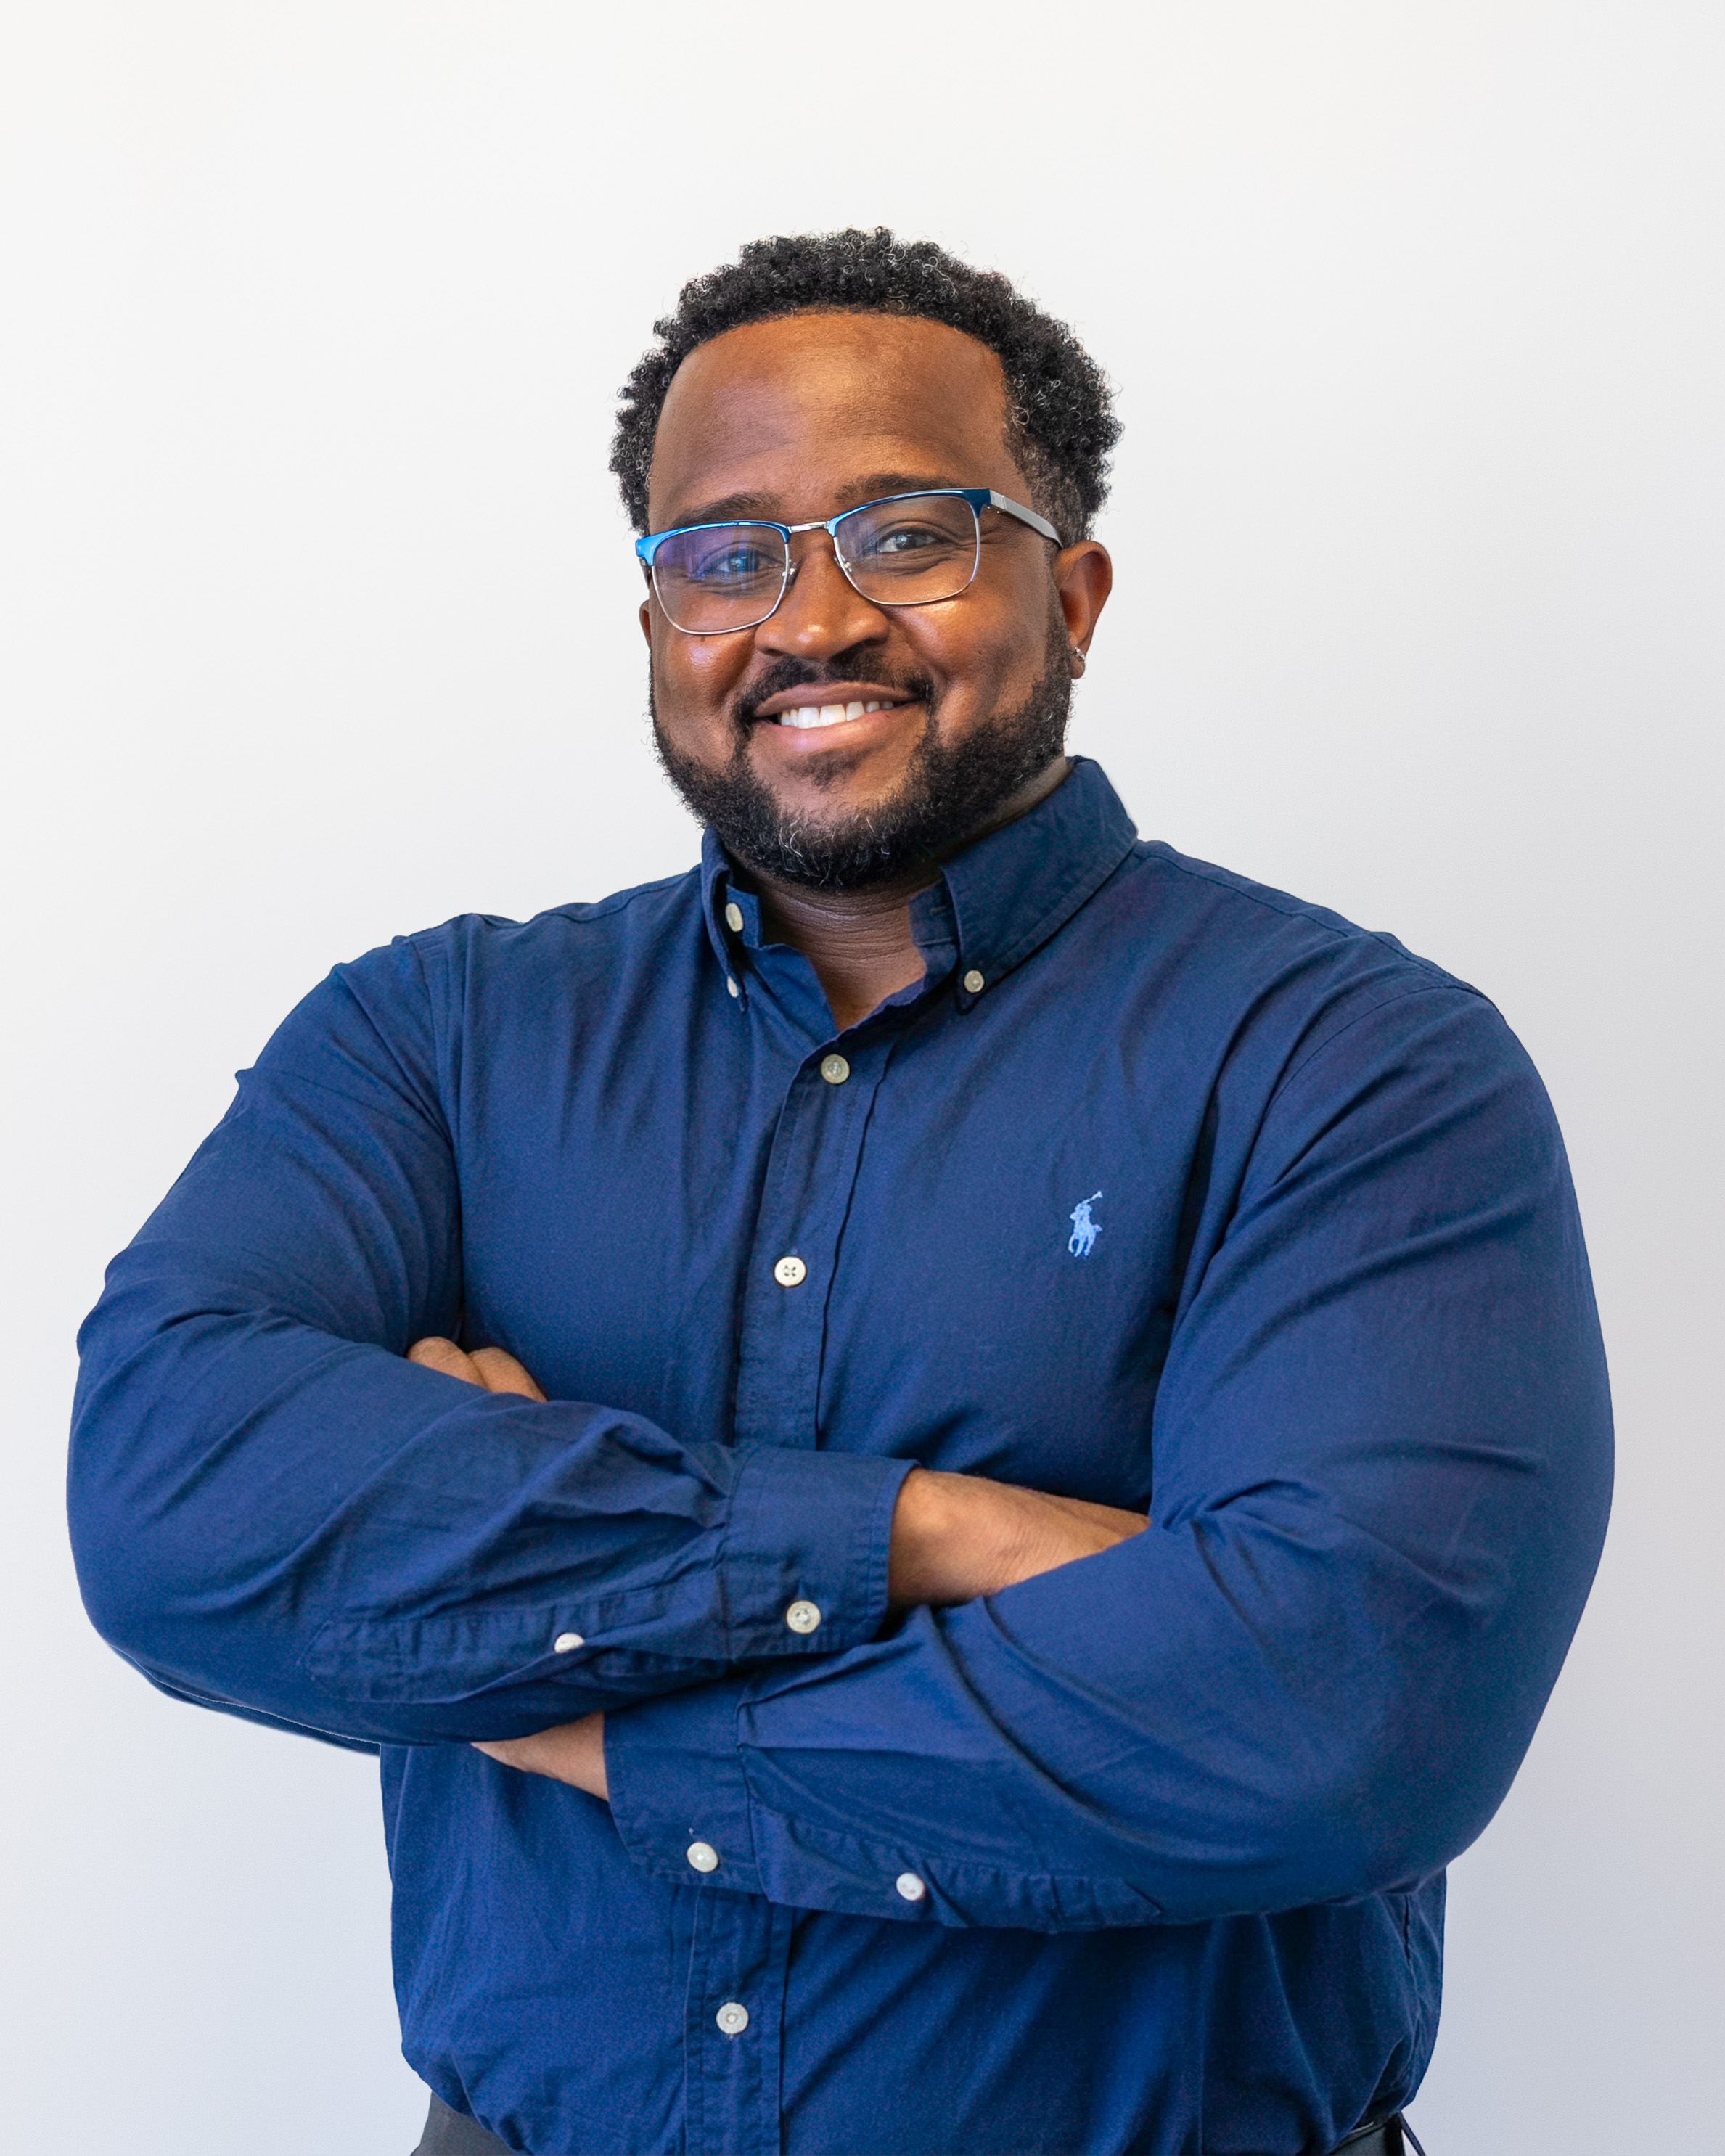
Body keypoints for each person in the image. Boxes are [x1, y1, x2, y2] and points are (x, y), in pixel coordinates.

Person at [69, 229, 1613, 2156]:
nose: (809, 619)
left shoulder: (1348, 1064)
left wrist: (584, 1718)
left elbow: (1343, 1710)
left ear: (1073, 592)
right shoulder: (438, 1042)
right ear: (658, 621)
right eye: (724, 555)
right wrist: (926, 1533)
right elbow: (174, 1517)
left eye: (905, 534)